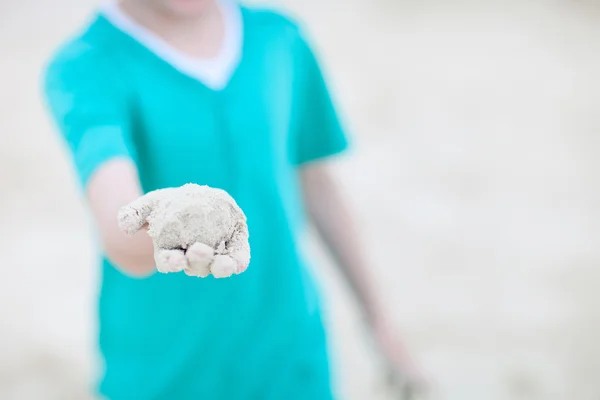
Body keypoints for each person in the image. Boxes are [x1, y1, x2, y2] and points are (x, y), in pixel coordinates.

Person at [43, 0, 422, 398]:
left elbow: (316, 184)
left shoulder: (279, 39)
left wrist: (379, 322)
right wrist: (167, 234)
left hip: (292, 359)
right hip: (161, 373)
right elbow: (119, 224)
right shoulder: (86, 66)